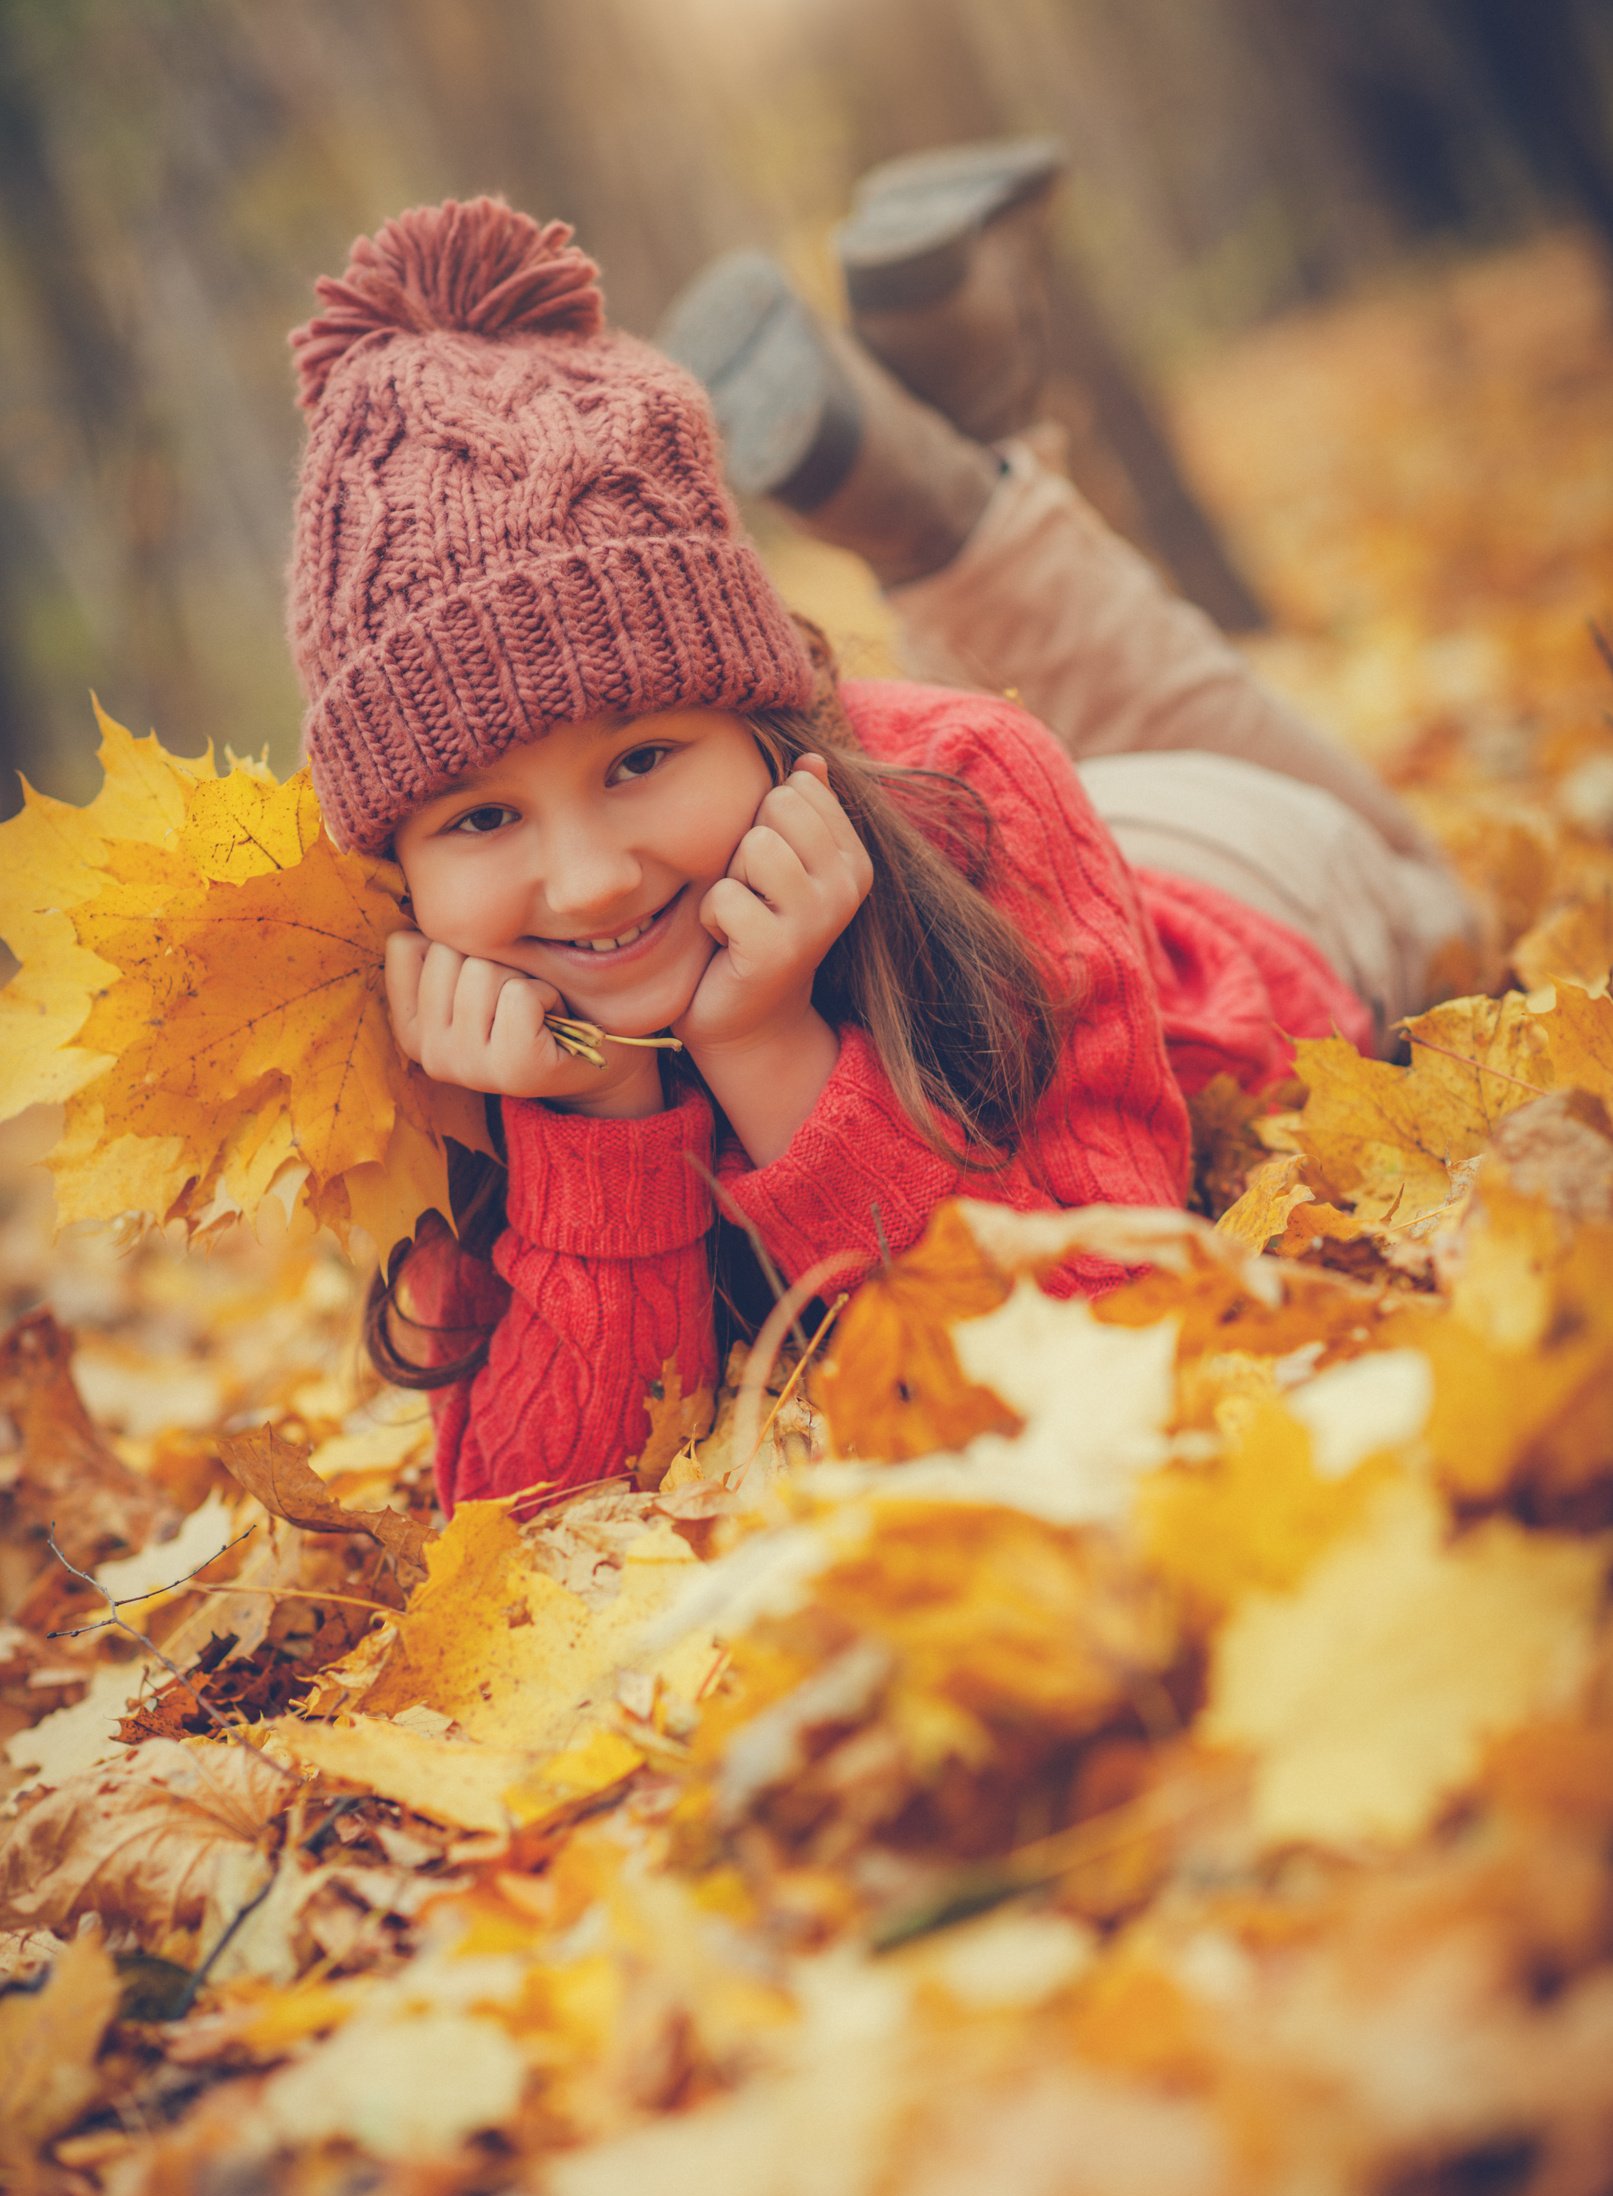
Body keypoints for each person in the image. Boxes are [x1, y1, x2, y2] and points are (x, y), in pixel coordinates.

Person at [284, 188, 1474, 1515]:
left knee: (1416, 876)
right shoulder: (440, 1035)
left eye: (639, 761)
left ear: (762, 715)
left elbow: (1096, 1344)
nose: (592, 881)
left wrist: (767, 1049)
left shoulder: (975, 778)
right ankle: (935, 474)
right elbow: (526, 1529)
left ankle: (946, 502)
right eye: (481, 818)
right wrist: (595, 1114)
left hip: (1242, 880)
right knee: (1047, 721)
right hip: (988, 828)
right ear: (400, 863)